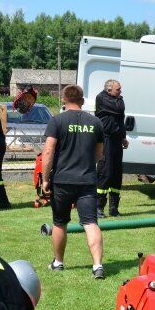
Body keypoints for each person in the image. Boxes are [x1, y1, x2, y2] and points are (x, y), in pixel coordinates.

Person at [42, 84, 106, 278]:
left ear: (63, 100)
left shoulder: (57, 121)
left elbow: (48, 151)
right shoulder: (95, 122)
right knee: (90, 222)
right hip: (86, 179)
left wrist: (45, 179)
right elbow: (99, 154)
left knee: (60, 222)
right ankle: (97, 266)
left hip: (62, 179)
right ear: (82, 100)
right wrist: (86, 165)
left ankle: (58, 263)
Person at [95, 79, 128, 218]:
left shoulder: (118, 99)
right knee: (105, 172)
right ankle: (98, 208)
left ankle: (114, 209)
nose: (120, 92)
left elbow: (120, 119)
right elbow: (119, 108)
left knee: (116, 174)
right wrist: (119, 99)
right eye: (118, 89)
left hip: (116, 140)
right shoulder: (101, 98)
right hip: (106, 139)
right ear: (109, 90)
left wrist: (123, 137)